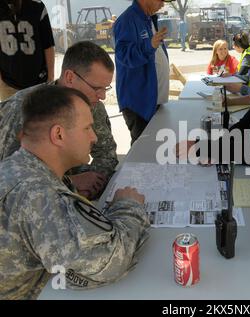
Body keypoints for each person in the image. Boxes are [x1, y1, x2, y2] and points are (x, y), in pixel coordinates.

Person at [0, 86, 150, 300]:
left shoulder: (21, 167)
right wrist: (129, 207)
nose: (94, 137)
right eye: (87, 128)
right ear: (58, 134)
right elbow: (108, 262)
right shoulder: (36, 193)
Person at [0, 41, 118, 200]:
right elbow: (8, 178)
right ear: (70, 77)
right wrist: (70, 183)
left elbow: (107, 154)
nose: (102, 96)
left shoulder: (92, 104)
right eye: (97, 88)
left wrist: (93, 184)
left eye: (106, 88)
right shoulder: (22, 109)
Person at [114, 0, 169, 145]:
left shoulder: (148, 18)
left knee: (153, 148)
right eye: (160, 0)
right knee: (143, 151)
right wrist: (149, 45)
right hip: (139, 103)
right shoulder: (127, 20)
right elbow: (124, 56)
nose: (163, 4)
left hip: (152, 101)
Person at [0, 0, 55, 101]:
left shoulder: (37, 6)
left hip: (39, 83)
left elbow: (48, 45)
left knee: (41, 116)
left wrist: (50, 77)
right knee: (11, 117)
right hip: (7, 84)